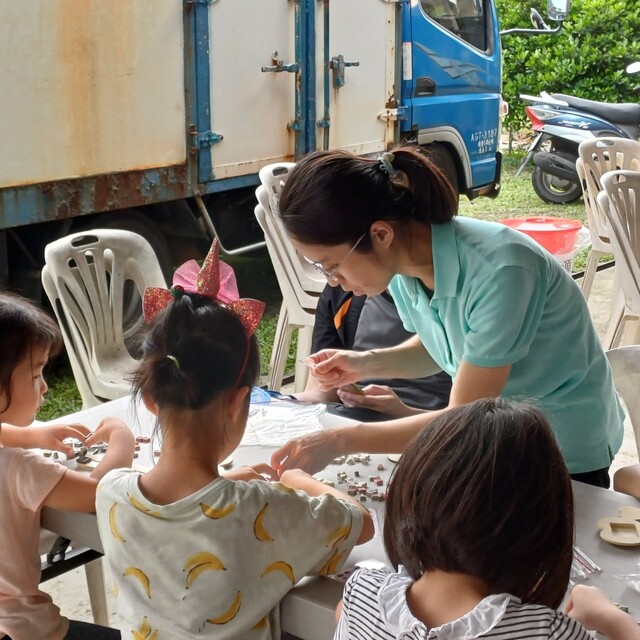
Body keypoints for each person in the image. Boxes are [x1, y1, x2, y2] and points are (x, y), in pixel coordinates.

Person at [270, 146, 624, 487]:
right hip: (500, 435)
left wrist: (342, 441)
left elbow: (464, 417)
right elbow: (440, 346)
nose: (336, 283)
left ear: (380, 234)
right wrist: (363, 363)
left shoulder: (502, 270)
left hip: (564, 447)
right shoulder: (405, 268)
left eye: (334, 267)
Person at [95, 240, 374, 640]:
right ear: (239, 402)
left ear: (152, 400)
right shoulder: (261, 509)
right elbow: (360, 524)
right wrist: (295, 482)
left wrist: (230, 484)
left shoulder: (110, 493)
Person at [334, 398, 640, 640]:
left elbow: (346, 618)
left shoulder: (361, 591)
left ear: (409, 500)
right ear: (542, 534)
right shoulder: (549, 632)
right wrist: (612, 618)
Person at [0, 292, 135, 640]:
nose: (44, 386)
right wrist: (122, 438)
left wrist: (32, 435)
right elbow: (100, 495)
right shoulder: (19, 468)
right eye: (34, 375)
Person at [294, 284, 452, 420]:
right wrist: (279, 402)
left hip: (436, 433)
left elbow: (466, 425)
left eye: (334, 265)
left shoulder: (456, 297)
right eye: (320, 268)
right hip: (361, 421)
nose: (332, 280)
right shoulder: (342, 291)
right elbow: (319, 394)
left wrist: (402, 413)